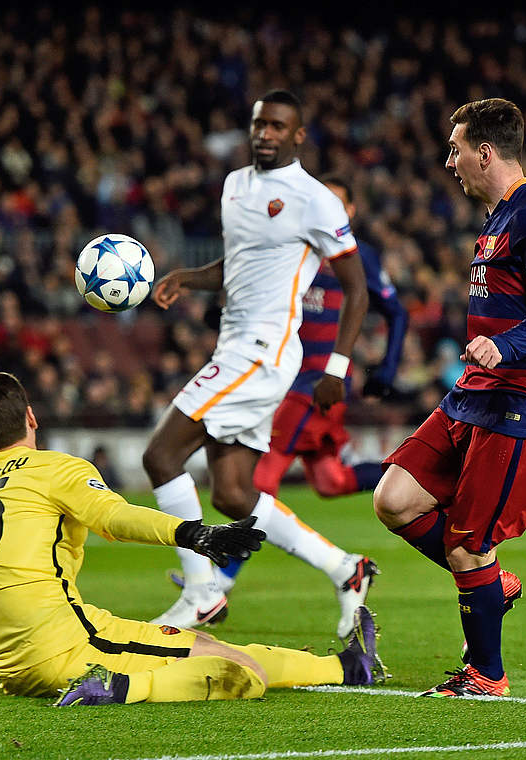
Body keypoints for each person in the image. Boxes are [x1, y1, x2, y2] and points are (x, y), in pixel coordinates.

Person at [0, 371, 384, 705]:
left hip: (11, 666)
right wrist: (192, 533)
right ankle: (120, 688)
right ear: (31, 416)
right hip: (66, 648)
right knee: (241, 672)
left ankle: (348, 667)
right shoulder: (54, 469)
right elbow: (115, 517)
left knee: (208, 646)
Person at [142, 90, 376, 639]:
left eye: (277, 125)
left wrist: (337, 369)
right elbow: (241, 263)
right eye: (258, 124)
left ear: (298, 135)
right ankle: (347, 570)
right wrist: (189, 278)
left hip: (264, 351)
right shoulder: (235, 186)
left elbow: (357, 289)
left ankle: (202, 594)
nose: (264, 133)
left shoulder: (316, 200)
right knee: (231, 494)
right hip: (235, 346)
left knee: (161, 456)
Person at [373, 98, 526, 697]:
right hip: (473, 395)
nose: (449, 161)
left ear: (485, 152)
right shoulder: (498, 216)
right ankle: (491, 585)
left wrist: (508, 347)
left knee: (466, 544)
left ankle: (487, 674)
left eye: (456, 149)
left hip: (519, 400)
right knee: (394, 498)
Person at [171, 176, 410, 597]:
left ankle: (218, 581)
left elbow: (396, 311)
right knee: (330, 480)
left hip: (317, 384)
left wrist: (387, 368)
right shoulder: (293, 249)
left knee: (259, 476)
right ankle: (417, 475)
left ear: (350, 213)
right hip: (283, 375)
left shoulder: (358, 257)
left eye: (338, 204)